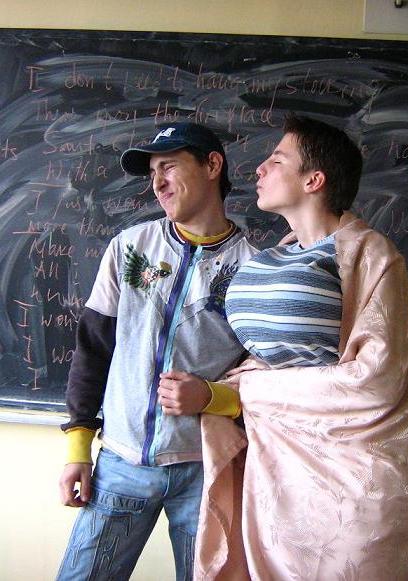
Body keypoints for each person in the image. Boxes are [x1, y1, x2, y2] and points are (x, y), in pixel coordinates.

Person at [193, 115, 408, 580]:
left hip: (354, 480)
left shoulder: (372, 254)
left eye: (277, 160)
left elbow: (376, 381)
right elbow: (263, 357)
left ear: (314, 180)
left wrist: (248, 391)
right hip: (274, 472)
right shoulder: (275, 255)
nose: (259, 169)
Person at [56, 121, 256, 581]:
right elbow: (92, 350)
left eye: (169, 167)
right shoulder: (129, 248)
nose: (158, 183)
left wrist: (214, 397)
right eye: (152, 173)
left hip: (207, 469)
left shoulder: (253, 269)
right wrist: (78, 447)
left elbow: (272, 381)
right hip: (120, 464)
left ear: (212, 165)